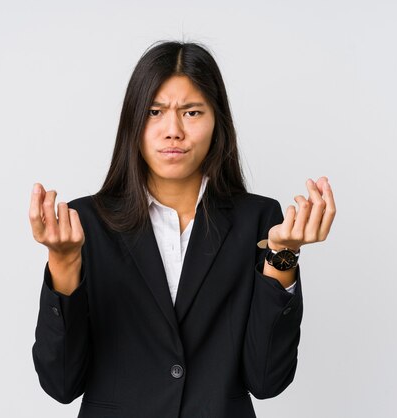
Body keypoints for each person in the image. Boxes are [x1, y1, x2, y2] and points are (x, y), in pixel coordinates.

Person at [29, 40, 336, 418]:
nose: (172, 131)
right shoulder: (84, 224)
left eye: (191, 112)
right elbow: (61, 384)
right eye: (155, 112)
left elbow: (267, 380)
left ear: (216, 122)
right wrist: (62, 262)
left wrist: (282, 256)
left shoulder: (258, 220)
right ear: (132, 122)